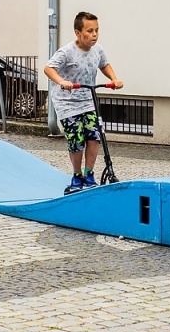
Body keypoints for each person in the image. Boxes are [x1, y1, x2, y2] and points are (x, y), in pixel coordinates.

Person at [44, 11, 122, 195]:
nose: (94, 35)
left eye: (96, 30)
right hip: (67, 103)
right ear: (78, 33)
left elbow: (104, 64)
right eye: (89, 31)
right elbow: (49, 68)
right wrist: (62, 82)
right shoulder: (67, 52)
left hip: (88, 100)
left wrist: (114, 79)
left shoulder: (98, 50)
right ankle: (76, 176)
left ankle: (89, 174)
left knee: (94, 137)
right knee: (77, 140)